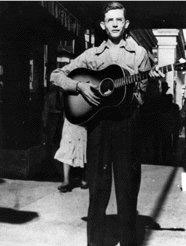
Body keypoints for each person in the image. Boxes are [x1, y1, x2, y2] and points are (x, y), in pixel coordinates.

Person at [50, 2, 164, 245]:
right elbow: (56, 75)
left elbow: (143, 99)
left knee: (127, 191)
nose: (114, 24)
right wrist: (79, 86)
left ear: (126, 24)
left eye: (119, 20)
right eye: (110, 20)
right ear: (103, 25)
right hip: (98, 128)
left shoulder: (140, 54)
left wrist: (146, 83)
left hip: (127, 126)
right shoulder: (92, 55)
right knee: (98, 193)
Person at [54, 116, 88, 192]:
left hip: (84, 118)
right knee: (67, 147)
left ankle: (83, 178)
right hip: (70, 118)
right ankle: (66, 180)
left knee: (82, 147)